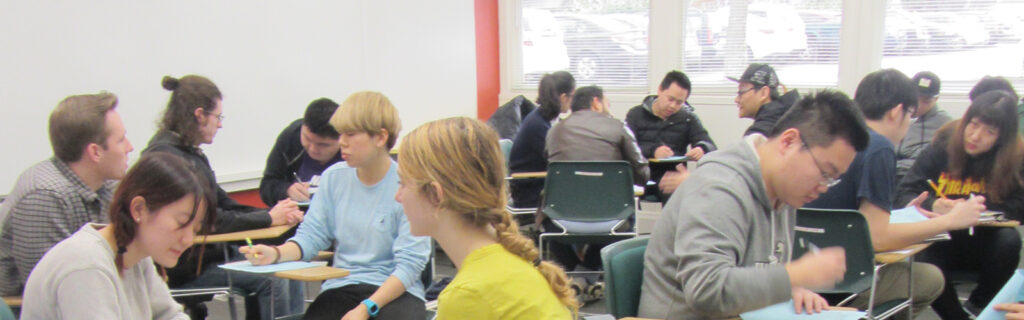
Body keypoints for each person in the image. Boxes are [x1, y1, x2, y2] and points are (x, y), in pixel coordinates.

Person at [638, 90, 868, 319]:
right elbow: (707, 290)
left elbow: (754, 272)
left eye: (832, 179)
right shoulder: (720, 187)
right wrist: (792, 277)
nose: (824, 187)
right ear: (789, 142)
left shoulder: (784, 191)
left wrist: (790, 289)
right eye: (825, 173)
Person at [241, 91, 431, 320]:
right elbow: (311, 236)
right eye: (341, 134)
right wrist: (275, 253)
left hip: (397, 291)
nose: (341, 141)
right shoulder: (333, 178)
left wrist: (365, 308)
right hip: (343, 286)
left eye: (350, 134)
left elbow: (410, 265)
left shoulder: (408, 182)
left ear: (381, 138)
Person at [806, 69, 977, 316]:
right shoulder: (878, 147)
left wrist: (900, 216)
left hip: (800, 276)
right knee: (930, 278)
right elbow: (877, 239)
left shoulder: (829, 135)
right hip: (844, 282)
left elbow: (847, 216)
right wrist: (949, 221)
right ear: (897, 112)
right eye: (911, 116)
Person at [144, 75, 303, 319]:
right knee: (274, 279)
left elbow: (226, 204)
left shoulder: (192, 155)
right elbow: (209, 220)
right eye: (218, 117)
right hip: (188, 267)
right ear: (200, 115)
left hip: (212, 256)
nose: (220, 125)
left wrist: (275, 214)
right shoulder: (166, 160)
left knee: (289, 268)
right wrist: (269, 219)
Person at [395, 116, 576, 319]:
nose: (397, 196)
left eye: (402, 183)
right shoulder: (510, 262)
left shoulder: (468, 294)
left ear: (436, 195)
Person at [21, 152, 216, 320]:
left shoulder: (138, 255)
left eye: (195, 230)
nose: (188, 240)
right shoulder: (86, 264)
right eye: (181, 223)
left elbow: (170, 316)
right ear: (139, 209)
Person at [895, 90, 1024, 318]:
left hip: (987, 243)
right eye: (973, 125)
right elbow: (905, 192)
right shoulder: (943, 145)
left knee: (1009, 240)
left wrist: (982, 210)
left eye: (989, 132)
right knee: (924, 254)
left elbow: (1020, 206)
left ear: (1002, 139)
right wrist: (934, 205)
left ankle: (978, 307)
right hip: (942, 237)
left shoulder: (1015, 157)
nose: (975, 136)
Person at [0, 92, 134, 296]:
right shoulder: (44, 197)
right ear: (95, 152)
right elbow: (51, 288)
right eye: (121, 140)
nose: (130, 147)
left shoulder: (108, 184)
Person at [542, 85, 648, 271]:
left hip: (560, 218)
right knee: (621, 215)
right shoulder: (618, 127)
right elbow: (643, 175)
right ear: (596, 103)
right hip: (613, 218)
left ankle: (575, 274)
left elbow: (549, 165)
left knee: (549, 220)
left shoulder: (554, 131)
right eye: (608, 103)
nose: (609, 108)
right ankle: (589, 271)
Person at [625, 70, 715, 200]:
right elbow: (627, 148)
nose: (673, 106)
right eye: (670, 99)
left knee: (677, 188)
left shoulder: (687, 118)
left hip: (671, 177)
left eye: (679, 102)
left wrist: (702, 148)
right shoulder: (636, 114)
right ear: (660, 90)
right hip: (640, 175)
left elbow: (710, 144)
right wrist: (653, 151)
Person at [508, 71, 575, 208]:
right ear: (564, 97)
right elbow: (557, 160)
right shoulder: (537, 125)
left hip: (542, 184)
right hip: (531, 192)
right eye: (572, 96)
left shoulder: (547, 119)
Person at [259, 98, 343, 206]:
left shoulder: (354, 150)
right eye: (307, 138)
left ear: (342, 139)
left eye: (322, 145)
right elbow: (267, 185)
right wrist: (286, 190)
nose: (312, 149)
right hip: (297, 213)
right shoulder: (291, 137)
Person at [895, 71, 953, 187]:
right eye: (916, 98)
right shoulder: (897, 115)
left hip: (921, 181)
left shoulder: (945, 124)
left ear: (936, 99)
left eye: (926, 101)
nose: (919, 105)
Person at [728, 63, 801, 137]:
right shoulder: (794, 121)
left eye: (741, 92)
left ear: (763, 93)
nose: (736, 100)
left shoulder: (759, 134)